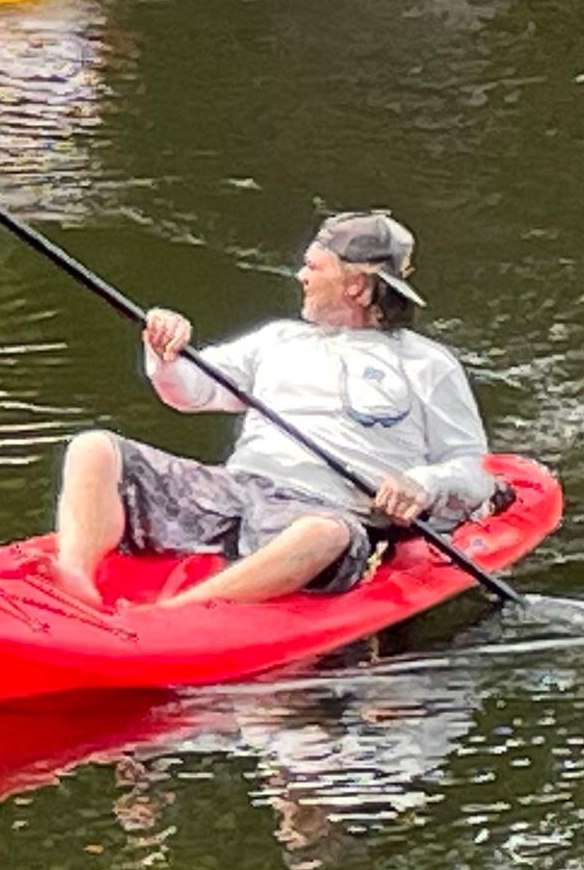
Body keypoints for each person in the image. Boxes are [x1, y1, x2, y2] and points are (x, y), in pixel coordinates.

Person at [50, 210, 507, 612]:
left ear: (356, 284)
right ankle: (74, 574)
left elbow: (473, 471)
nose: (300, 276)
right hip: (235, 493)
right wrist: (165, 347)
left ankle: (177, 615)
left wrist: (422, 485)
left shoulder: (428, 364)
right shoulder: (277, 339)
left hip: (324, 516)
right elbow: (191, 392)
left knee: (326, 534)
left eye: (314, 266)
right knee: (94, 448)